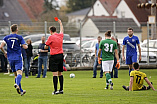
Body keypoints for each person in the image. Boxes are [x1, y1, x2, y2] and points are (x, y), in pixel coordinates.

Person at [0, 24, 28, 96]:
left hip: (10, 58)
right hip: (18, 57)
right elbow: (24, 47)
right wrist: (26, 45)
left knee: (16, 75)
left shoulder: (6, 37)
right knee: (20, 73)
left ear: (11, 29)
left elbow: (1, 46)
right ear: (17, 30)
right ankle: (17, 84)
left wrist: (5, 52)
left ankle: (21, 90)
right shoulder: (19, 37)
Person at [45, 19, 64, 95]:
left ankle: (55, 90)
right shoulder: (60, 35)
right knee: (60, 73)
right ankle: (61, 89)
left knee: (55, 74)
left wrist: (47, 46)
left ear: (50, 31)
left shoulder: (51, 37)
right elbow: (62, 30)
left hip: (54, 56)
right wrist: (60, 23)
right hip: (60, 55)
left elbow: (46, 46)